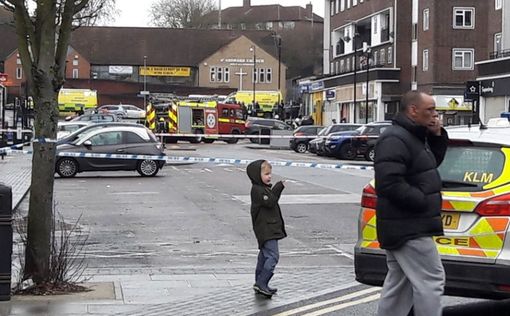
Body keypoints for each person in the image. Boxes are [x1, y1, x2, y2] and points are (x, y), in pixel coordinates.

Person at [374, 91, 448, 316]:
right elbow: (388, 183)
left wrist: (436, 136)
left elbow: (428, 165)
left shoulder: (413, 136)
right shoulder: (395, 138)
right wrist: (421, 201)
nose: (435, 115)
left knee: (400, 284)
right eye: (430, 110)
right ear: (413, 110)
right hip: (408, 225)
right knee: (432, 280)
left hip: (405, 224)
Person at [246, 160, 286, 299]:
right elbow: (270, 202)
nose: (269, 176)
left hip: (268, 228)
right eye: (266, 174)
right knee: (273, 256)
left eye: (270, 174)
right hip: (266, 229)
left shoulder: (262, 188)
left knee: (264, 256)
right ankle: (262, 282)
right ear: (257, 175)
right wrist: (278, 187)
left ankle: (259, 282)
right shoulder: (258, 190)